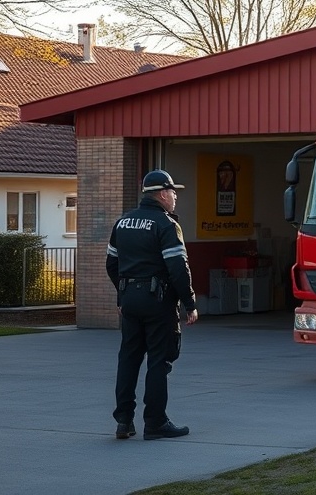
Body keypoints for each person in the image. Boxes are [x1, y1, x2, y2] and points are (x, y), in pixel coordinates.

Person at [106, 169, 199, 440]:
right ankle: (155, 422)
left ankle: (124, 421)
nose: (175, 196)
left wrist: (122, 295)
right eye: (172, 191)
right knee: (159, 360)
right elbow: (178, 268)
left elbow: (112, 264)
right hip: (158, 301)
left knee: (128, 358)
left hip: (130, 301)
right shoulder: (166, 225)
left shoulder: (123, 223)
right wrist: (189, 302)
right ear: (161, 194)